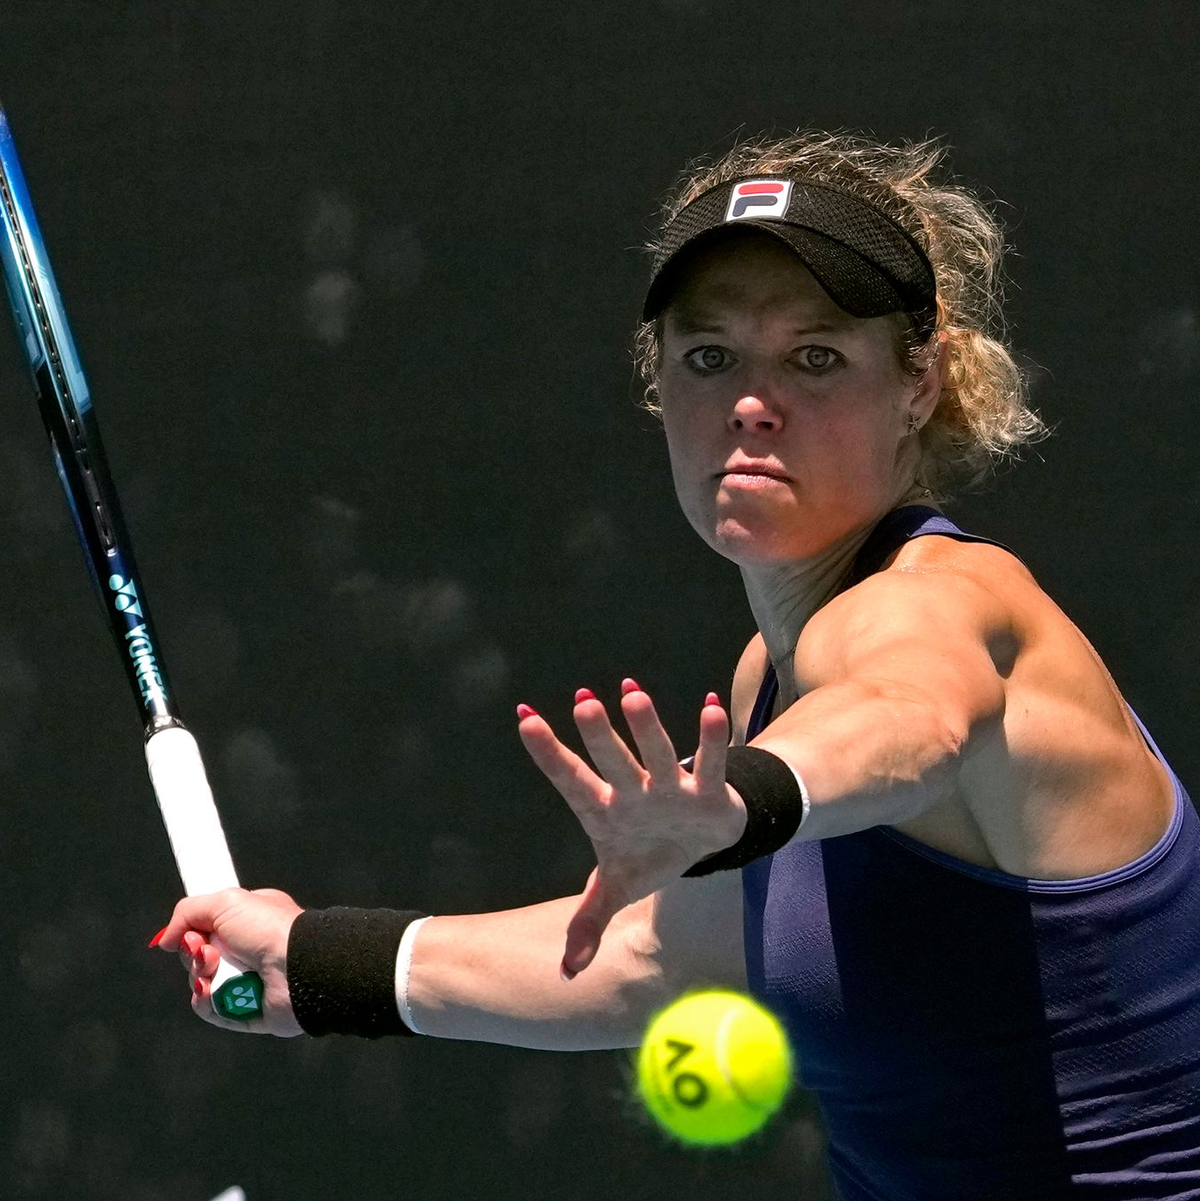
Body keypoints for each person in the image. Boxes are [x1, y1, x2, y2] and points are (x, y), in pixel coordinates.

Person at [153, 133, 1200, 1199]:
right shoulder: (767, 675)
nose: (752, 400)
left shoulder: (945, 600)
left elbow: (911, 716)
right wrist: (319, 963)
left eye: (815, 358)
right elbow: (658, 960)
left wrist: (750, 799)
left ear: (920, 383)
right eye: (710, 358)